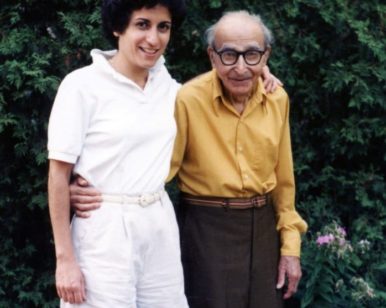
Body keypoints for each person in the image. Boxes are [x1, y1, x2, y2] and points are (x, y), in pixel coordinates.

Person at [68, 10, 295, 308]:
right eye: (229, 55)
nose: (241, 67)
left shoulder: (277, 99)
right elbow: (149, 160)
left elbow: (284, 183)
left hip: (264, 229)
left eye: (252, 55)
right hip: (207, 230)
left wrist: (291, 245)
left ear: (266, 56)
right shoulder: (186, 99)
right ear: (212, 56)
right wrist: (89, 187)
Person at [47, 1, 189, 307]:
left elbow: (226, 87)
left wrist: (263, 74)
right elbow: (58, 174)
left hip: (158, 224)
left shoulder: (173, 89)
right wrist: (65, 260)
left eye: (162, 27)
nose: (153, 38)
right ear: (117, 27)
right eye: (142, 24)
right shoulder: (81, 86)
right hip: (103, 229)